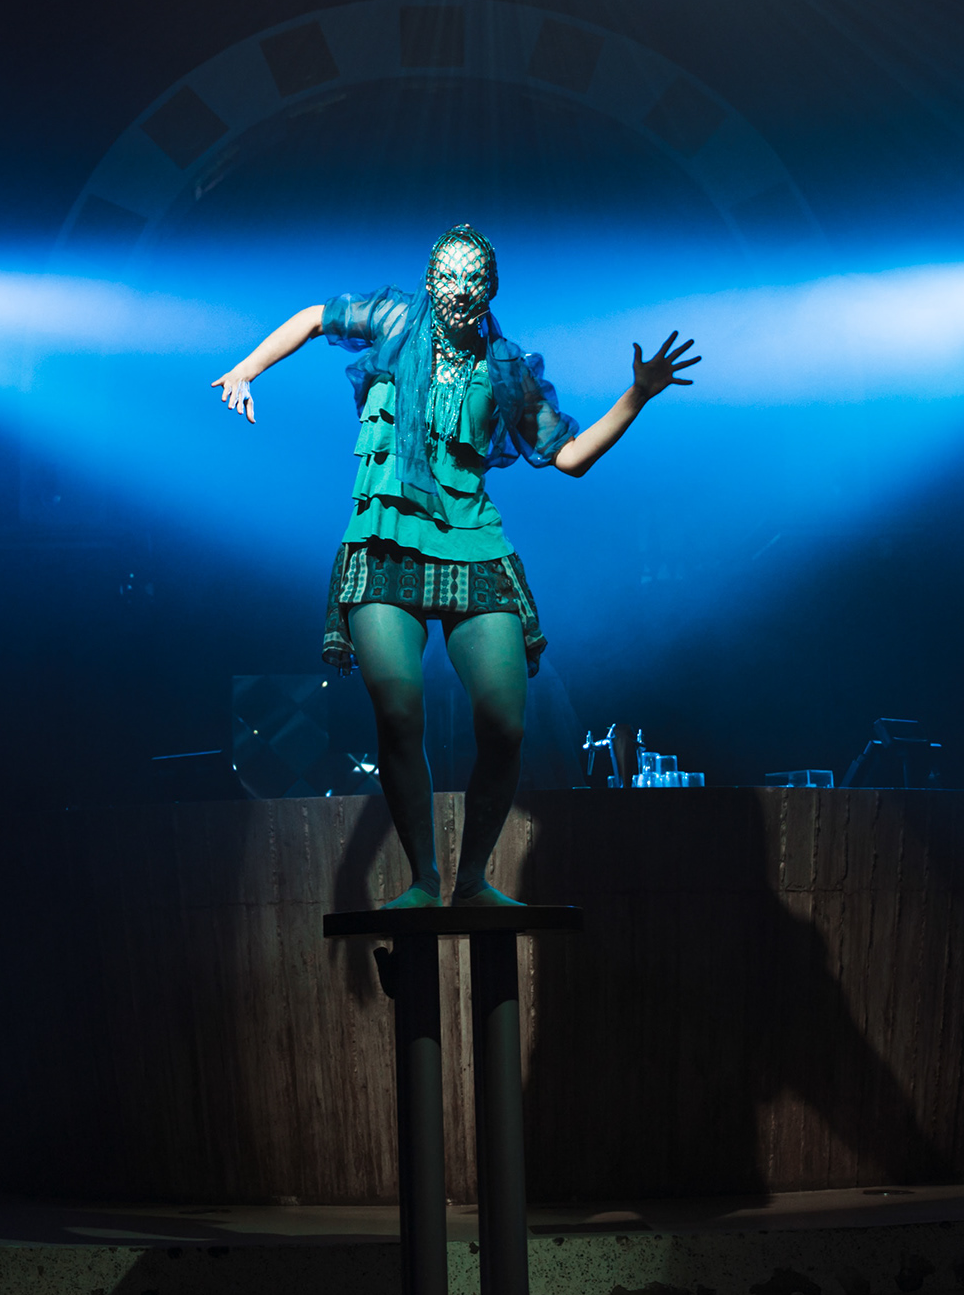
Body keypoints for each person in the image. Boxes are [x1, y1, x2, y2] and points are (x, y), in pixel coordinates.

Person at [213, 227, 696, 907]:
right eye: (449, 277)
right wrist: (246, 369)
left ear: (490, 289)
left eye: (473, 281)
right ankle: (423, 879)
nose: (460, 291)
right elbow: (315, 317)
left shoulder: (506, 367)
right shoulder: (393, 320)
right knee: (399, 712)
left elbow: (569, 456)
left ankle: (472, 881)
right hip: (385, 542)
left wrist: (637, 395)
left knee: (506, 724)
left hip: (473, 548)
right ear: (431, 279)